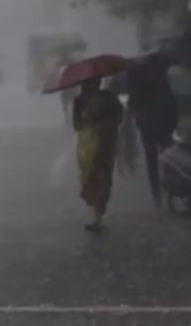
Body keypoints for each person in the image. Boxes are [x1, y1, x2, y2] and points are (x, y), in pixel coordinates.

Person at [72, 78, 124, 232]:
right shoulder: (80, 100)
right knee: (90, 177)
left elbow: (119, 117)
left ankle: (97, 217)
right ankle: (96, 215)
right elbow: (76, 124)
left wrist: (104, 125)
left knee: (103, 178)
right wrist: (87, 121)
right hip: (88, 146)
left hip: (104, 144)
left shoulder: (108, 98)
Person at [128, 54, 178, 207]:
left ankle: (156, 193)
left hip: (147, 126)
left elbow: (132, 104)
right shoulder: (163, 79)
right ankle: (171, 186)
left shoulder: (137, 81)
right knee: (169, 156)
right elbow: (172, 101)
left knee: (152, 160)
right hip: (165, 124)